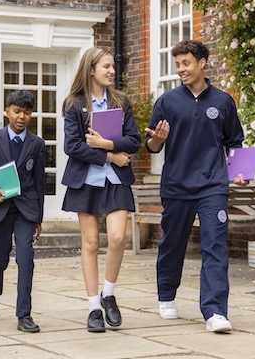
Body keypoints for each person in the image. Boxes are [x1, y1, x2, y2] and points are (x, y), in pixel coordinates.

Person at [145, 39, 247, 334]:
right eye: (178, 64)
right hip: (176, 185)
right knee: (172, 243)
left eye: (186, 63)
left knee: (215, 246)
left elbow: (234, 143)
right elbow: (151, 145)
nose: (181, 69)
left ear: (202, 63)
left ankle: (215, 311)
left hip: (213, 185)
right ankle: (166, 295)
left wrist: (239, 172)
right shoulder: (167, 101)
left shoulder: (223, 102)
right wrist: (158, 140)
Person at [61, 47, 141, 333]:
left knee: (119, 237)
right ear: (91, 69)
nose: (111, 71)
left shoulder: (121, 101)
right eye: (106, 66)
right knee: (91, 243)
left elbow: (134, 140)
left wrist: (108, 145)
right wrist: (109, 156)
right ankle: (94, 305)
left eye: (112, 66)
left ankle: (109, 293)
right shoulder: (74, 104)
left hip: (116, 180)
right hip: (86, 181)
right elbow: (72, 146)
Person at [0, 90, 46, 334]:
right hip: (1, 207)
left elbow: (39, 182)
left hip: (26, 208)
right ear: (7, 111)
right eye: (17, 111)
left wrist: (38, 218)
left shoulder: (37, 143)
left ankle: (24, 314)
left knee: (26, 259)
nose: (21, 117)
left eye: (26, 112)